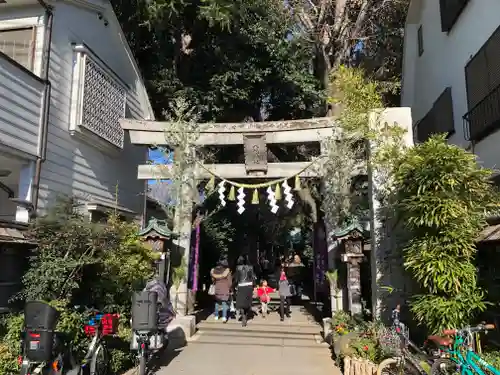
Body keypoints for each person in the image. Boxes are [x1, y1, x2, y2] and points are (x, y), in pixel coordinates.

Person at [234, 255, 255, 327]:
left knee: (241, 303)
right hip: (249, 285)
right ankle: (245, 315)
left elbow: (236, 279)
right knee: (247, 302)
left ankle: (243, 316)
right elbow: (253, 277)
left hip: (241, 285)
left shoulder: (238, 268)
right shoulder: (251, 267)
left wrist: (234, 286)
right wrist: (254, 286)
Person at [210, 258, 232, 323]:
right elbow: (229, 282)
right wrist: (230, 288)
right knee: (224, 302)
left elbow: (213, 280)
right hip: (225, 288)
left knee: (217, 302)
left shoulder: (214, 271)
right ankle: (224, 317)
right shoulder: (227, 271)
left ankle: (216, 316)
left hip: (217, 287)